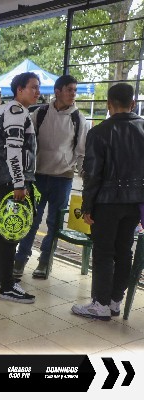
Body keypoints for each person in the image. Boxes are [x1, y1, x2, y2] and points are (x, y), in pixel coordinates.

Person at [72, 83, 144, 320]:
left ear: (109, 104)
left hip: (106, 202)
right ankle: (115, 301)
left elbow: (93, 174)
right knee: (124, 250)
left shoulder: (100, 132)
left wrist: (87, 206)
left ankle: (100, 304)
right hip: (135, 203)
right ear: (133, 103)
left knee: (103, 251)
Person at [13, 75, 88, 279]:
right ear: (57, 91)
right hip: (37, 177)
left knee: (54, 223)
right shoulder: (40, 113)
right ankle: (20, 259)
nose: (73, 94)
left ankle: (45, 262)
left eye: (75, 90)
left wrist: (85, 177)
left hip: (63, 178)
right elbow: (28, 144)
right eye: (69, 89)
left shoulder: (79, 119)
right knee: (31, 220)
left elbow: (81, 153)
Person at [0, 72, 40, 303]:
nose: (37, 92)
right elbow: (13, 150)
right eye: (33, 87)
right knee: (12, 230)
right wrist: (19, 183)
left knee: (4, 229)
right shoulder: (16, 112)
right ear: (19, 89)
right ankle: (7, 286)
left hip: (3, 177)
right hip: (13, 180)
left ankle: (0, 277)